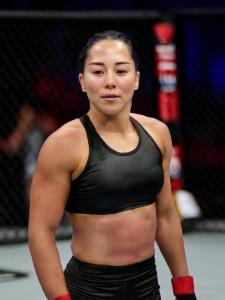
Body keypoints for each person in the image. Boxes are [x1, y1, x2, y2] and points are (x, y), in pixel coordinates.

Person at [28, 30, 197, 300]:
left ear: (137, 79)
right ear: (82, 81)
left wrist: (185, 288)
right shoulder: (63, 145)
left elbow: (165, 216)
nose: (110, 82)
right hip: (89, 289)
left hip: (147, 286)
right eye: (97, 72)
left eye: (121, 71)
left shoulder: (158, 134)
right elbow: (40, 232)